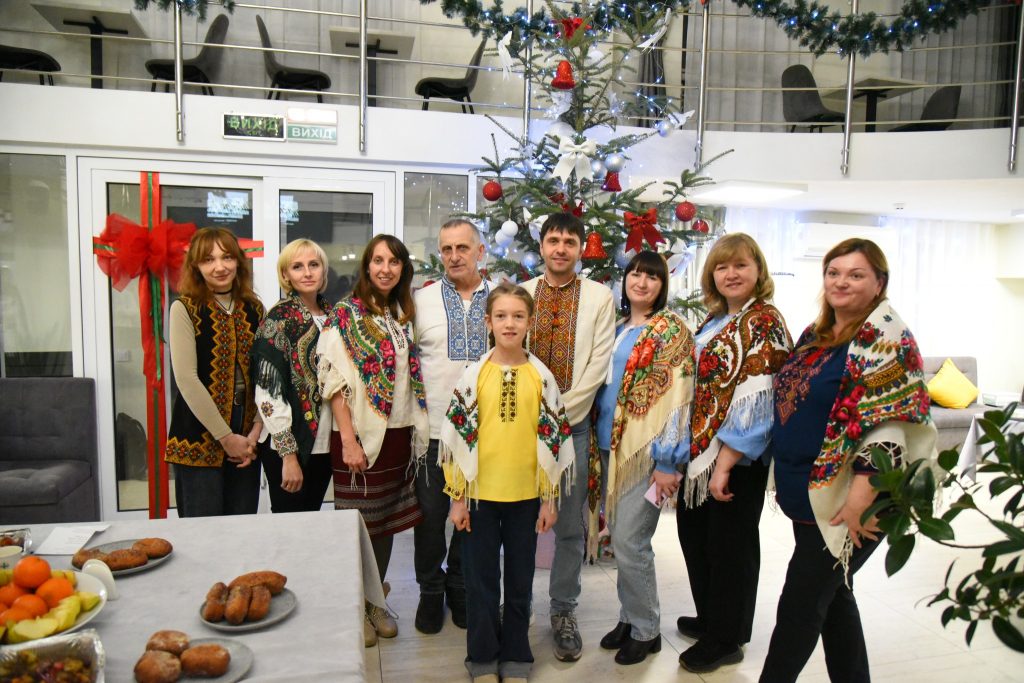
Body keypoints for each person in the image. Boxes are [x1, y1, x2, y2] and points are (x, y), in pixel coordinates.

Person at [759, 238, 936, 683]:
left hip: (851, 500)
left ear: (879, 283)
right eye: (834, 272)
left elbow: (888, 424)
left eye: (856, 275)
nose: (841, 282)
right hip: (811, 495)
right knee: (835, 597)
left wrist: (859, 498)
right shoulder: (816, 335)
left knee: (800, 605)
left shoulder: (885, 339)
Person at [440, 283, 575, 683]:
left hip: (526, 498)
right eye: (501, 316)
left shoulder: (542, 378)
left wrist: (549, 499)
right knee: (481, 582)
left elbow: (553, 444)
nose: (509, 323)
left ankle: (517, 655)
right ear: (488, 322)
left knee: (520, 582)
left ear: (529, 322)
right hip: (479, 499)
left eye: (518, 316)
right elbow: (456, 441)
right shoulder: (473, 378)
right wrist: (457, 498)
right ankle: (482, 658)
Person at [675, 233, 792, 672]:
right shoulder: (716, 319)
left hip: (736, 458)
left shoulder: (764, 321)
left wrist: (726, 462)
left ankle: (726, 638)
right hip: (700, 452)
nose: (731, 274)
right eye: (722, 267)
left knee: (730, 548)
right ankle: (713, 617)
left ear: (758, 270)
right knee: (697, 537)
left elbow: (763, 398)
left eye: (740, 265)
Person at [317, 234, 430, 646]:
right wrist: (348, 440)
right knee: (358, 526)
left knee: (384, 525)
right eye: (378, 260)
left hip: (398, 433)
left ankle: (375, 601)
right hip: (359, 435)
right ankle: (355, 606)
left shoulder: (401, 313)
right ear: (367, 266)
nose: (386, 269)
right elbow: (332, 380)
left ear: (403, 269)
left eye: (394, 262)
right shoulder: (345, 314)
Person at [593, 251, 696, 665]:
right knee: (620, 540)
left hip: (646, 456)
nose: (641, 282)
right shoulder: (620, 328)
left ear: (662, 284)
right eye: (634, 273)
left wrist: (669, 462)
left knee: (631, 542)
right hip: (611, 451)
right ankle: (629, 616)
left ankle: (647, 629)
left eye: (652, 276)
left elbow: (679, 399)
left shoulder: (670, 330)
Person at [522, 212, 615, 662]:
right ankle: (517, 607)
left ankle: (563, 610)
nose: (560, 248)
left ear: (581, 249)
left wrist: (560, 417)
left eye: (570, 242)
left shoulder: (599, 297)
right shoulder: (522, 292)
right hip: (520, 431)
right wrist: (533, 417)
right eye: (553, 240)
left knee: (569, 529)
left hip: (572, 429)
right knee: (518, 522)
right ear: (541, 246)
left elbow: (598, 365)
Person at [412, 219, 493, 633]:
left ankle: (460, 585)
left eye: (463, 247)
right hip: (433, 433)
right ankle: (430, 589)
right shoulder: (421, 301)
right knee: (430, 517)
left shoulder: (501, 298)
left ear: (480, 251)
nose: (454, 256)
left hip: (485, 435)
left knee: (473, 515)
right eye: (447, 249)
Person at [166, 227, 264, 517]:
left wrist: (255, 431)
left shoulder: (254, 309)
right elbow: (186, 379)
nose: (220, 267)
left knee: (241, 529)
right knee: (203, 532)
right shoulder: (184, 308)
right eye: (208, 260)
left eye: (227, 257)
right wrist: (226, 437)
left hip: (246, 440)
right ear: (195, 266)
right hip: (197, 437)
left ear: (238, 261)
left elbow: (266, 375)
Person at [252, 238, 333, 513]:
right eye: (297, 267)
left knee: (311, 521)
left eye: (314, 265)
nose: (307, 273)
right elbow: (267, 394)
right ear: (286, 274)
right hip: (286, 447)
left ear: (323, 270)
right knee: (289, 525)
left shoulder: (333, 316)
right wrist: (288, 456)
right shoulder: (278, 319)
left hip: (324, 444)